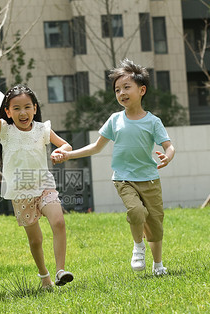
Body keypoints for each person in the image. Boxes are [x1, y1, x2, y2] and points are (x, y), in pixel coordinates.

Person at [54, 59, 175, 276]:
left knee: (155, 225)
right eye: (117, 90)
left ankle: (158, 266)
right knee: (136, 211)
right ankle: (138, 246)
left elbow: (169, 145)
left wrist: (167, 156)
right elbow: (96, 147)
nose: (121, 93)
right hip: (124, 178)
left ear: (142, 90)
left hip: (149, 179)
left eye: (126, 87)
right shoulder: (115, 120)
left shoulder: (153, 122)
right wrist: (68, 154)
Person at [0, 70, 74, 289]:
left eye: (27, 107)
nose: (23, 112)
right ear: (8, 112)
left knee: (58, 222)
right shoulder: (5, 130)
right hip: (20, 191)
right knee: (36, 240)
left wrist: (62, 152)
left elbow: (65, 145)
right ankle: (45, 277)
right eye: (17, 108)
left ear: (35, 109)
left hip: (44, 185)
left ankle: (61, 271)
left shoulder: (42, 129)